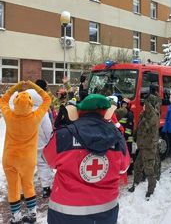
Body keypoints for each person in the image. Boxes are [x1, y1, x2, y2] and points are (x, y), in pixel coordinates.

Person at [43, 94, 130, 224]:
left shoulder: (64, 134)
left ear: (79, 112)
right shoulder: (117, 137)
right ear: (106, 113)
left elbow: (47, 160)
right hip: (105, 212)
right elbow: (124, 168)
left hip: (65, 212)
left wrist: (61, 127)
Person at [0, 81, 51, 224]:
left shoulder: (9, 115)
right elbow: (47, 99)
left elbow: (3, 99)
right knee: (28, 185)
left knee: (13, 187)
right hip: (28, 159)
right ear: (30, 104)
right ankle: (32, 214)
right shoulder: (36, 117)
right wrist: (33, 86)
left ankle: (16, 217)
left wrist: (17, 86)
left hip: (10, 158)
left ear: (15, 103)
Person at [128, 90, 161, 199]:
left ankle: (151, 189)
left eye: (145, 103)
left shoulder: (153, 115)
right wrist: (134, 137)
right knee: (137, 166)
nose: (143, 105)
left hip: (149, 146)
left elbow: (147, 121)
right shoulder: (144, 114)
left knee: (149, 169)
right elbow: (139, 127)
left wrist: (147, 100)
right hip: (142, 146)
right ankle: (136, 184)